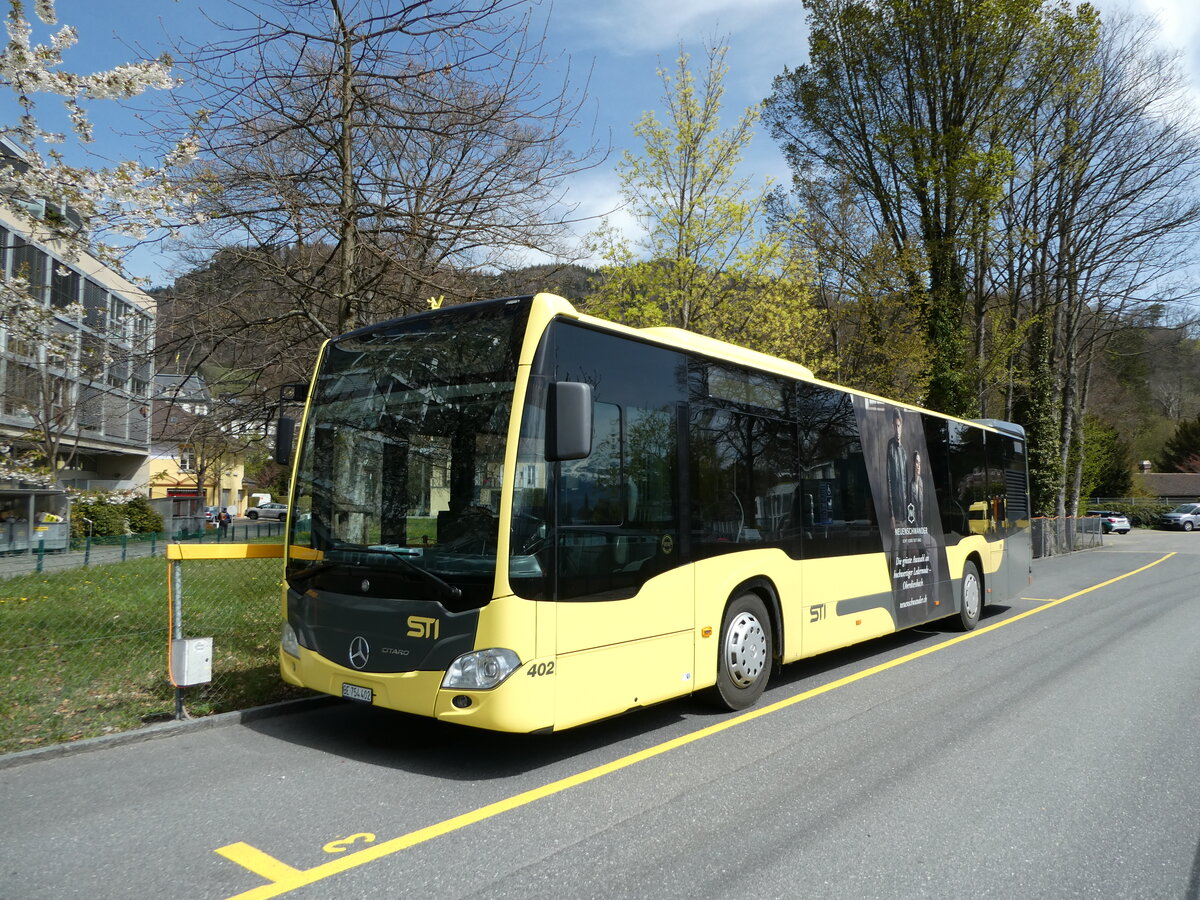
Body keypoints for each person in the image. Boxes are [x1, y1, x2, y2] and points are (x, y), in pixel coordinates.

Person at [885, 407, 907, 531]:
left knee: (905, 549)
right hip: (896, 515)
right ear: (893, 426)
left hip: (905, 515)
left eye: (899, 426)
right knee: (897, 547)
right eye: (895, 426)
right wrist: (891, 514)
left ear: (902, 426)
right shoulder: (890, 446)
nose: (897, 429)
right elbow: (888, 480)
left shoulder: (904, 452)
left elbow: (906, 485)